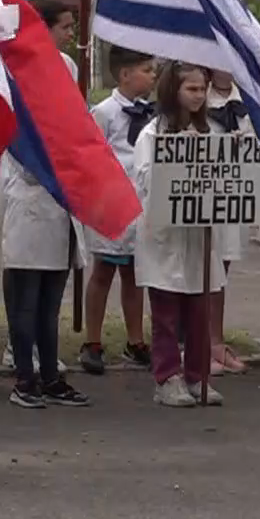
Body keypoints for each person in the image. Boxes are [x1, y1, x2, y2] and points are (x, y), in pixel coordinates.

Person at [132, 62, 230, 408]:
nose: (199, 96)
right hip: (165, 239)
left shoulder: (213, 133)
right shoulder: (152, 134)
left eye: (202, 89)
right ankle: (167, 377)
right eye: (191, 89)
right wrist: (178, 157)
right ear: (174, 90)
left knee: (199, 312)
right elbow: (144, 181)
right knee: (167, 314)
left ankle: (197, 375)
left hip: (199, 237)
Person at [80, 46, 153, 374]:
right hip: (111, 202)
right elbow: (93, 155)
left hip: (141, 202)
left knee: (135, 275)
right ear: (125, 75)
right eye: (146, 71)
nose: (153, 76)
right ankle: (92, 340)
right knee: (104, 271)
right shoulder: (104, 112)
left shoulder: (152, 114)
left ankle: (135, 339)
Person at [0, 150, 89, 409]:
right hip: (28, 223)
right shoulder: (20, 127)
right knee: (24, 309)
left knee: (49, 312)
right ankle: (25, 379)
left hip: (59, 223)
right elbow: (31, 170)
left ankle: (50, 378)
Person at [203, 68, 248, 376]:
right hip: (202, 194)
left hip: (234, 193)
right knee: (204, 268)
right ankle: (201, 342)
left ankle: (216, 341)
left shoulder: (247, 99)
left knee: (223, 269)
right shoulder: (195, 96)